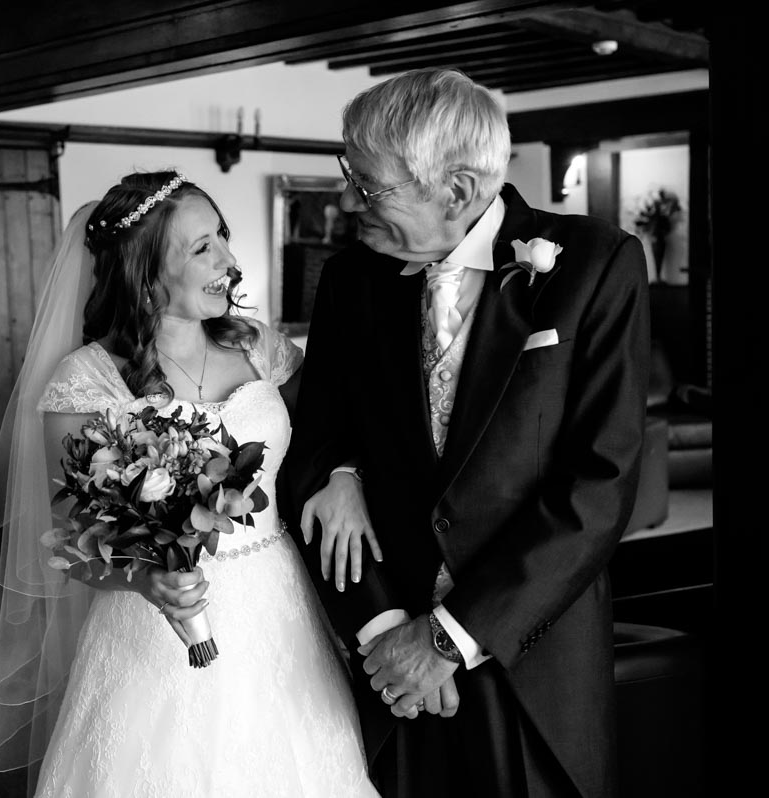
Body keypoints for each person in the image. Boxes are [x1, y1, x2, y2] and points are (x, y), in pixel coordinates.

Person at [282, 67, 650, 798]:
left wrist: (447, 638)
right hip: (391, 673)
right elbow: (312, 441)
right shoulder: (350, 280)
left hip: (531, 660)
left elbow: (600, 484)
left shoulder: (596, 265)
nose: (347, 202)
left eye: (371, 186)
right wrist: (386, 625)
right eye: (347, 174)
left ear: (455, 190)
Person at [0, 171, 380, 797]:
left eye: (222, 236)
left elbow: (334, 439)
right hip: (151, 628)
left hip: (281, 608)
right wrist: (146, 578)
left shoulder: (262, 351)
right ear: (144, 272)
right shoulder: (85, 382)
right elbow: (70, 543)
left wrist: (343, 474)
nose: (229, 261)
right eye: (203, 248)